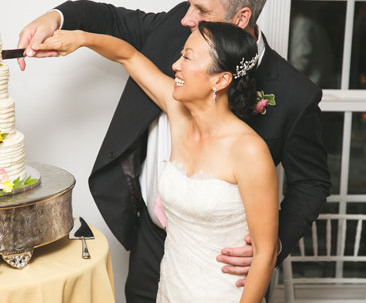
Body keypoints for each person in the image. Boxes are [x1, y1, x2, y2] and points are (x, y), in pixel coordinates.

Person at [18, 0, 331, 302]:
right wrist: (64, 27)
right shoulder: (180, 47)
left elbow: (311, 183)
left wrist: (270, 248)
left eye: (201, 10)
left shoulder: (289, 99)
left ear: (241, 18)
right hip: (158, 246)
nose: (186, 19)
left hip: (225, 272)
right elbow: (122, 42)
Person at [35, 21, 278, 302]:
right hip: (170, 290)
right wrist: (79, 38)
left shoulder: (248, 150)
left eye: (187, 57)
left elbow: (265, 251)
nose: (176, 65)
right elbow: (128, 55)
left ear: (220, 80)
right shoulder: (179, 116)